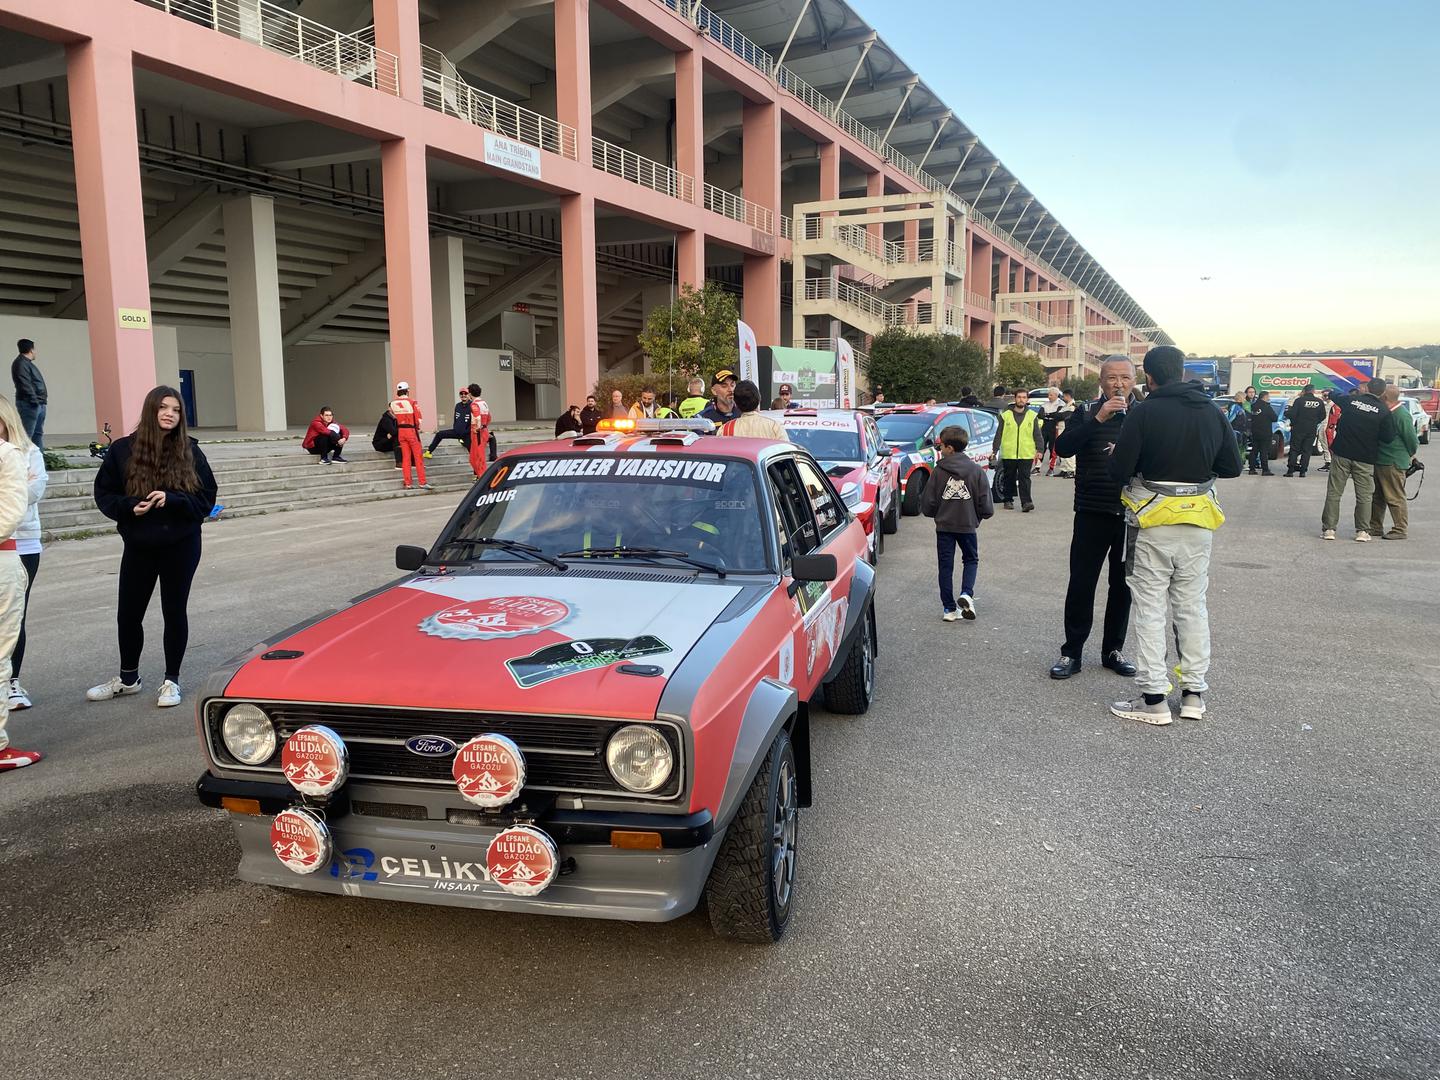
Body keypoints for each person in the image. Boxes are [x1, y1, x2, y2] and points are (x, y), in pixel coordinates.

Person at [1106, 346, 1242, 726]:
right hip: (1198, 521)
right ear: (1181, 372)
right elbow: (1232, 466)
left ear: (1149, 377)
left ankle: (1153, 699)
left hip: (1152, 521)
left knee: (1150, 608)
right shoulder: (1212, 411)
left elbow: (1119, 470)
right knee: (1192, 606)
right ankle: (1194, 694)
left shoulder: (1144, 412)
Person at [88, 386, 218, 709]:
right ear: (151, 410)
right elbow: (104, 493)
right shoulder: (122, 450)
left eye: (176, 409)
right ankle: (128, 679)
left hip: (181, 544)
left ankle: (171, 681)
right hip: (140, 545)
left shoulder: (190, 451)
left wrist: (172, 499)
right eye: (163, 407)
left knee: (174, 611)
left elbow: (206, 499)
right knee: (128, 613)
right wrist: (129, 507)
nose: (169, 414)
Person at [1049, 357, 1139, 680]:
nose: (1119, 384)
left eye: (1125, 378)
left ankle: (1113, 650)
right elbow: (1063, 447)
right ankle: (1071, 652)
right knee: (1082, 583)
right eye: (1112, 378)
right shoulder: (1086, 412)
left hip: (1130, 515)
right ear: (1101, 382)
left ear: (1134, 380)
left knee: (1122, 586)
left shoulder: (1144, 414)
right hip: (1091, 511)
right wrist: (1099, 419)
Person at [920, 426, 992, 621]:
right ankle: (967, 593)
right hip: (967, 525)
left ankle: (949, 609)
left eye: (941, 446)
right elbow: (985, 503)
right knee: (970, 559)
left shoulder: (938, 471)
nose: (940, 449)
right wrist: (978, 516)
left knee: (945, 566)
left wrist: (936, 513)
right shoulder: (976, 470)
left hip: (944, 526)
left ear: (949, 448)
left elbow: (929, 503)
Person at [0, 396, 43, 715]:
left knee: (16, 615)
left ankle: (12, 682)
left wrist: (11, 485)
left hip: (23, 543)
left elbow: (29, 494)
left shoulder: (27, 452)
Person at [1321, 377, 1394, 542]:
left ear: (1367, 388)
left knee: (1334, 492)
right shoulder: (1383, 411)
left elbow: (1335, 395)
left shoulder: (1352, 401)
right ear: (1383, 392)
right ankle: (1362, 531)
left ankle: (1329, 529)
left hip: (1342, 453)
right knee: (1364, 496)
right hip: (1365, 457)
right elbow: (1388, 438)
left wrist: (1329, 393)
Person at [1368, 386, 1417, 541]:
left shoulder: (1401, 415)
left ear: (1385, 398)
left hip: (1393, 461)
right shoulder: (1388, 413)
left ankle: (1400, 528)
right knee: (1378, 496)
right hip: (1381, 460)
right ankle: (1375, 527)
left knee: (1395, 496)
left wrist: (1409, 455)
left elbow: (1411, 440)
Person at [990, 389, 1042, 511]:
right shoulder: (1005, 415)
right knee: (1009, 477)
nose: (1021, 400)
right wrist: (994, 450)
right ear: (1015, 398)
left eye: (1024, 397)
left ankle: (1026, 502)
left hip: (1026, 453)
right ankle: (1008, 500)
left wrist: (1040, 450)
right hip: (1009, 452)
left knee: (1025, 478)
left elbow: (1037, 434)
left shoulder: (1032, 416)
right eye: (1019, 397)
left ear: (1027, 400)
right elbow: (999, 434)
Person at [388, 381, 428, 490]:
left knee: (406, 458)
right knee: (418, 457)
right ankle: (422, 482)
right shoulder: (412, 402)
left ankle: (407, 483)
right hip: (411, 431)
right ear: (407, 391)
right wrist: (416, 427)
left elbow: (393, 415)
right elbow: (419, 419)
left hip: (401, 432)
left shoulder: (393, 403)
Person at [720, 380, 789, 440]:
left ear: (736, 404)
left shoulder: (725, 430)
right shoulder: (774, 427)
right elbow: (786, 450)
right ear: (759, 399)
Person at [10, 339, 47, 450]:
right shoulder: (20, 363)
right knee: (27, 435)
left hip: (37, 403)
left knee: (37, 434)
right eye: (34, 349)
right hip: (30, 404)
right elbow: (24, 384)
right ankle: (23, 457)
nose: (35, 352)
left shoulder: (26, 363)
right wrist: (34, 401)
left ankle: (38, 459)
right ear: (31, 350)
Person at [1284, 384, 1327, 477]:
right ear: (1313, 391)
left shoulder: (1299, 400)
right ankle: (1303, 471)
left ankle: (1290, 471)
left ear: (1304, 391)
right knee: (1307, 450)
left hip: (1298, 428)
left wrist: (1294, 421)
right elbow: (1323, 415)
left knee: (1294, 449)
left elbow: (1292, 414)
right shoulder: (1319, 402)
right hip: (1311, 429)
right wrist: (1315, 422)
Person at [426, 387, 473, 458]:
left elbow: (474, 421)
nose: (463, 395)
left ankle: (462, 441)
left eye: (465, 393)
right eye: (461, 393)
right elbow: (456, 419)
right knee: (439, 434)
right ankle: (429, 452)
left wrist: (467, 431)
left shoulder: (472, 405)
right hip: (456, 432)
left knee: (472, 455)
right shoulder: (458, 406)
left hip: (467, 435)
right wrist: (456, 428)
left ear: (469, 395)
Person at [1247, 390, 1277, 475]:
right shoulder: (1267, 407)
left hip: (1254, 432)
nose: (1269, 398)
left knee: (1254, 451)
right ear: (1265, 397)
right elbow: (1274, 418)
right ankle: (1265, 470)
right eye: (1268, 397)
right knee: (1264, 451)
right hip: (1265, 432)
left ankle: (1252, 469)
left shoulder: (1253, 406)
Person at [467, 383, 491, 479]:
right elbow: (489, 417)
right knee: (474, 458)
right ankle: (481, 476)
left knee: (478, 458)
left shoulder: (474, 404)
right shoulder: (484, 403)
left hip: (477, 433)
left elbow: (477, 417)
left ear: (470, 393)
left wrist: (476, 429)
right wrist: (484, 427)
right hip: (484, 430)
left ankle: (483, 478)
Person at [1039, 387, 1065, 475]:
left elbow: (1058, 415)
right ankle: (1037, 467)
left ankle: (1051, 468)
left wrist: (1048, 415)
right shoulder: (1045, 404)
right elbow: (1040, 415)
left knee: (1052, 447)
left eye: (1051, 395)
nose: (1049, 397)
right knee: (1041, 446)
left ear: (1056, 395)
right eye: (1048, 395)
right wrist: (1050, 415)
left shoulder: (1061, 404)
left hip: (1054, 426)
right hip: (1045, 425)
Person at [1053, 392, 1078, 479]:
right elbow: (1057, 415)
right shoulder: (1065, 406)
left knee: (1069, 449)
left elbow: (1063, 416)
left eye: (1064, 396)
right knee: (1062, 449)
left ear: (1068, 396)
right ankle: (1064, 469)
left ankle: (1071, 470)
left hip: (1067, 430)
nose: (1063, 398)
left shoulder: (1073, 406)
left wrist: (1059, 415)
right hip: (1061, 429)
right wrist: (1058, 415)